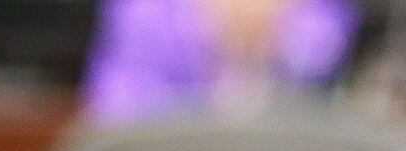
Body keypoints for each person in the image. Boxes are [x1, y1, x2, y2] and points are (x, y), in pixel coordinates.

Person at [82, 0, 361, 123]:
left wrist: (277, 35)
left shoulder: (320, 15)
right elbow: (116, 120)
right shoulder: (145, 14)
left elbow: (324, 53)